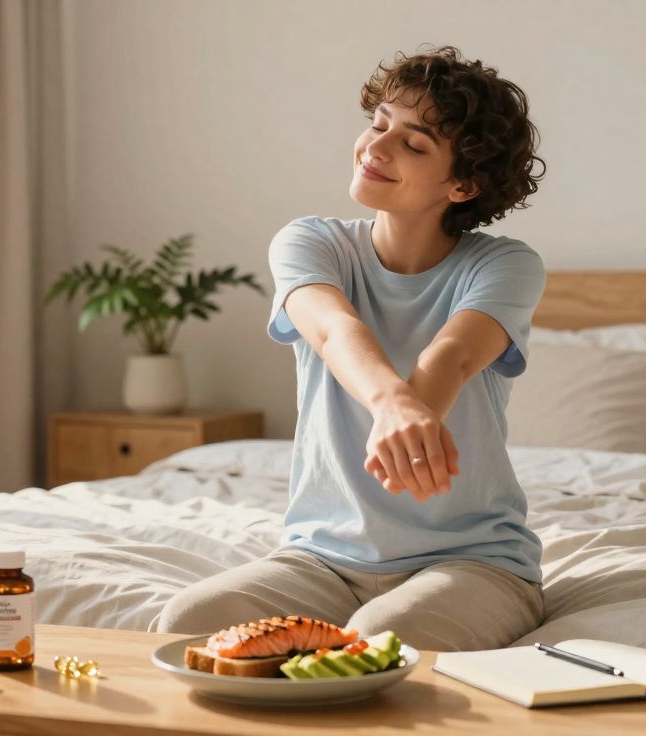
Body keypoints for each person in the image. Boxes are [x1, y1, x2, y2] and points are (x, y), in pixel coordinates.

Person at [155, 45, 548, 651]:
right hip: (323, 559)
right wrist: (391, 401)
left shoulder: (506, 265)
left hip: (471, 562)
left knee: (385, 641)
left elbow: (455, 355)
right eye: (379, 124)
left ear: (464, 183)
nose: (376, 147)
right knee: (188, 623)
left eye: (413, 144)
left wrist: (412, 407)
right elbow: (333, 328)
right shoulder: (310, 242)